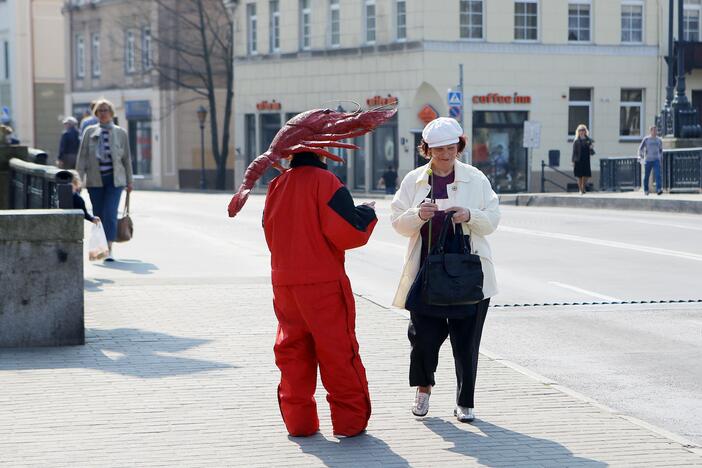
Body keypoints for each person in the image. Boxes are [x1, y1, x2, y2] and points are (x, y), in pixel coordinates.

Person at [390, 117, 500, 423]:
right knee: (423, 338)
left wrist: (469, 215)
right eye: (438, 150)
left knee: (467, 342)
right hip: (427, 274)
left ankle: (465, 402)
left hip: (468, 274)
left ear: (459, 147)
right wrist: (417, 214)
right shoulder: (414, 181)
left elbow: (492, 219)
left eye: (451, 149)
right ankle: (423, 390)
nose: (446, 155)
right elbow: (397, 221)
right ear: (427, 150)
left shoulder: (475, 179)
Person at [262, 151, 378, 438]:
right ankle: (349, 423)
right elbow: (347, 231)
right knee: (337, 351)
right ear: (322, 152)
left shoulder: (277, 185)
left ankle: (299, 423)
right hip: (323, 282)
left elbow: (269, 230)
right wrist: (367, 211)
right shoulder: (326, 181)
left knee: (292, 352)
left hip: (285, 283)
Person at [75, 98, 133, 262]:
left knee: (110, 213)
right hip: (95, 181)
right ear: (96, 114)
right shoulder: (89, 132)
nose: (103, 113)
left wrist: (130, 181)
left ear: (112, 113)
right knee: (98, 214)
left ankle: (109, 248)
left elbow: (127, 159)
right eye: (100, 111)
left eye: (106, 110)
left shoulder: (120, 133)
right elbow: (82, 159)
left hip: (115, 181)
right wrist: (77, 181)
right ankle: (99, 248)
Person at [638, 125, 664, 195]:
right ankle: (646, 190)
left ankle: (659, 189)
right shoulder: (646, 139)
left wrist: (661, 159)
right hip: (648, 160)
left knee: (658, 175)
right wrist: (640, 156)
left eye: (656, 130)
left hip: (656, 160)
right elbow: (640, 148)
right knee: (647, 175)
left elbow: (661, 150)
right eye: (654, 130)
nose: (655, 132)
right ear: (650, 131)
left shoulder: (659, 140)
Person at [571, 124, 595, 194]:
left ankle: (583, 187)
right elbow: (574, 152)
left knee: (586, 175)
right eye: (580, 130)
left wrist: (591, 148)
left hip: (586, 160)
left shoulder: (588, 140)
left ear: (585, 131)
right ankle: (580, 189)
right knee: (579, 176)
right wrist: (573, 161)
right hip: (578, 160)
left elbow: (592, 152)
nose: (581, 131)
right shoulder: (576, 141)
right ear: (578, 132)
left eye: (583, 130)